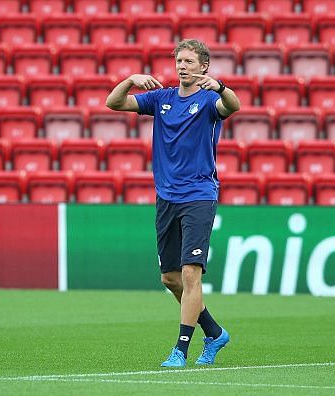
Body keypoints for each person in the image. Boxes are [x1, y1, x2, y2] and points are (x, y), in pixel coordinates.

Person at [106, 39, 241, 368]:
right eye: (179, 60)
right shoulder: (161, 98)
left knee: (191, 274)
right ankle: (214, 331)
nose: (182, 66)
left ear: (203, 67)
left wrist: (221, 87)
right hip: (166, 195)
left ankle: (180, 349)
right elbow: (114, 103)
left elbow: (233, 106)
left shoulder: (210, 101)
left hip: (199, 194)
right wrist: (130, 80)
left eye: (189, 62)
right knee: (170, 278)